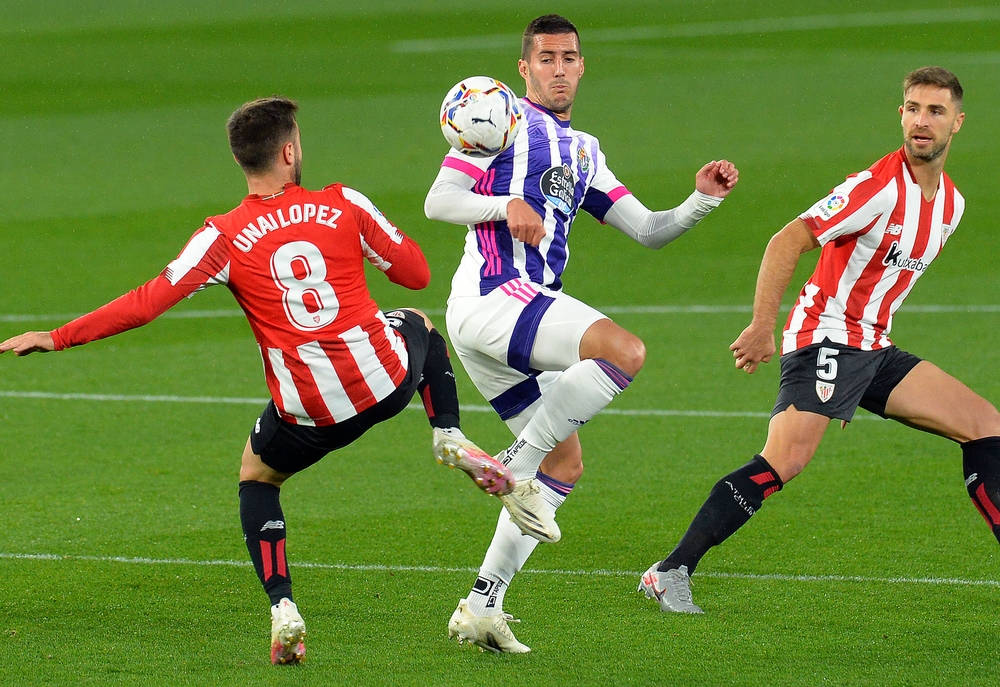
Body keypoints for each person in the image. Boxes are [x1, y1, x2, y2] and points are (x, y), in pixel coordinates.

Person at [0, 96, 515, 665]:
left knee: (258, 477)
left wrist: (59, 335)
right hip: (387, 380)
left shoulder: (222, 235)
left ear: (242, 160)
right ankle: (447, 433)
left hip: (309, 409)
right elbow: (416, 275)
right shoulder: (342, 202)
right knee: (417, 324)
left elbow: (148, 302)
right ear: (290, 150)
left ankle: (283, 608)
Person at [424, 14, 738, 652]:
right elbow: (439, 201)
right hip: (493, 297)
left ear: (582, 65)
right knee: (623, 351)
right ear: (525, 68)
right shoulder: (499, 118)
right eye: (546, 59)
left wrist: (699, 200)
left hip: (506, 318)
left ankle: (483, 606)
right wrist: (502, 206)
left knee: (564, 464)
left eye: (569, 58)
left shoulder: (584, 150)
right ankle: (514, 463)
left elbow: (648, 229)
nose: (559, 69)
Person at [639, 66, 1000, 614]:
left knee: (985, 426)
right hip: (826, 338)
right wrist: (764, 326)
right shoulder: (875, 188)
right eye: (912, 108)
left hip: (873, 345)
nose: (921, 122)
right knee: (784, 460)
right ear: (899, 114)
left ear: (958, 123)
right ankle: (670, 571)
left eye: (935, 111)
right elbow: (787, 240)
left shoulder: (951, 205)